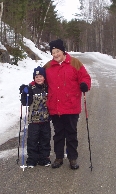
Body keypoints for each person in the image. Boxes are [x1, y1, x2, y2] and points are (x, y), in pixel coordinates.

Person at [43, 39, 91, 170]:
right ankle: (58, 157)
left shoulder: (75, 63)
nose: (56, 54)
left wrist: (85, 84)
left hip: (71, 106)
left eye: (57, 51)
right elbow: (39, 80)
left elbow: (85, 77)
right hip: (55, 107)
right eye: (53, 52)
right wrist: (29, 88)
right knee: (58, 133)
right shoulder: (48, 67)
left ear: (63, 51)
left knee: (71, 133)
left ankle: (72, 158)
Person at [19, 66, 51, 168]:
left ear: (44, 77)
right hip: (33, 121)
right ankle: (32, 159)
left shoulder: (47, 88)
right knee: (32, 140)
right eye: (36, 76)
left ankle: (44, 158)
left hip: (45, 120)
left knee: (45, 140)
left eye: (41, 76)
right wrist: (24, 93)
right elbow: (25, 103)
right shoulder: (31, 89)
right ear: (34, 78)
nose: (39, 78)